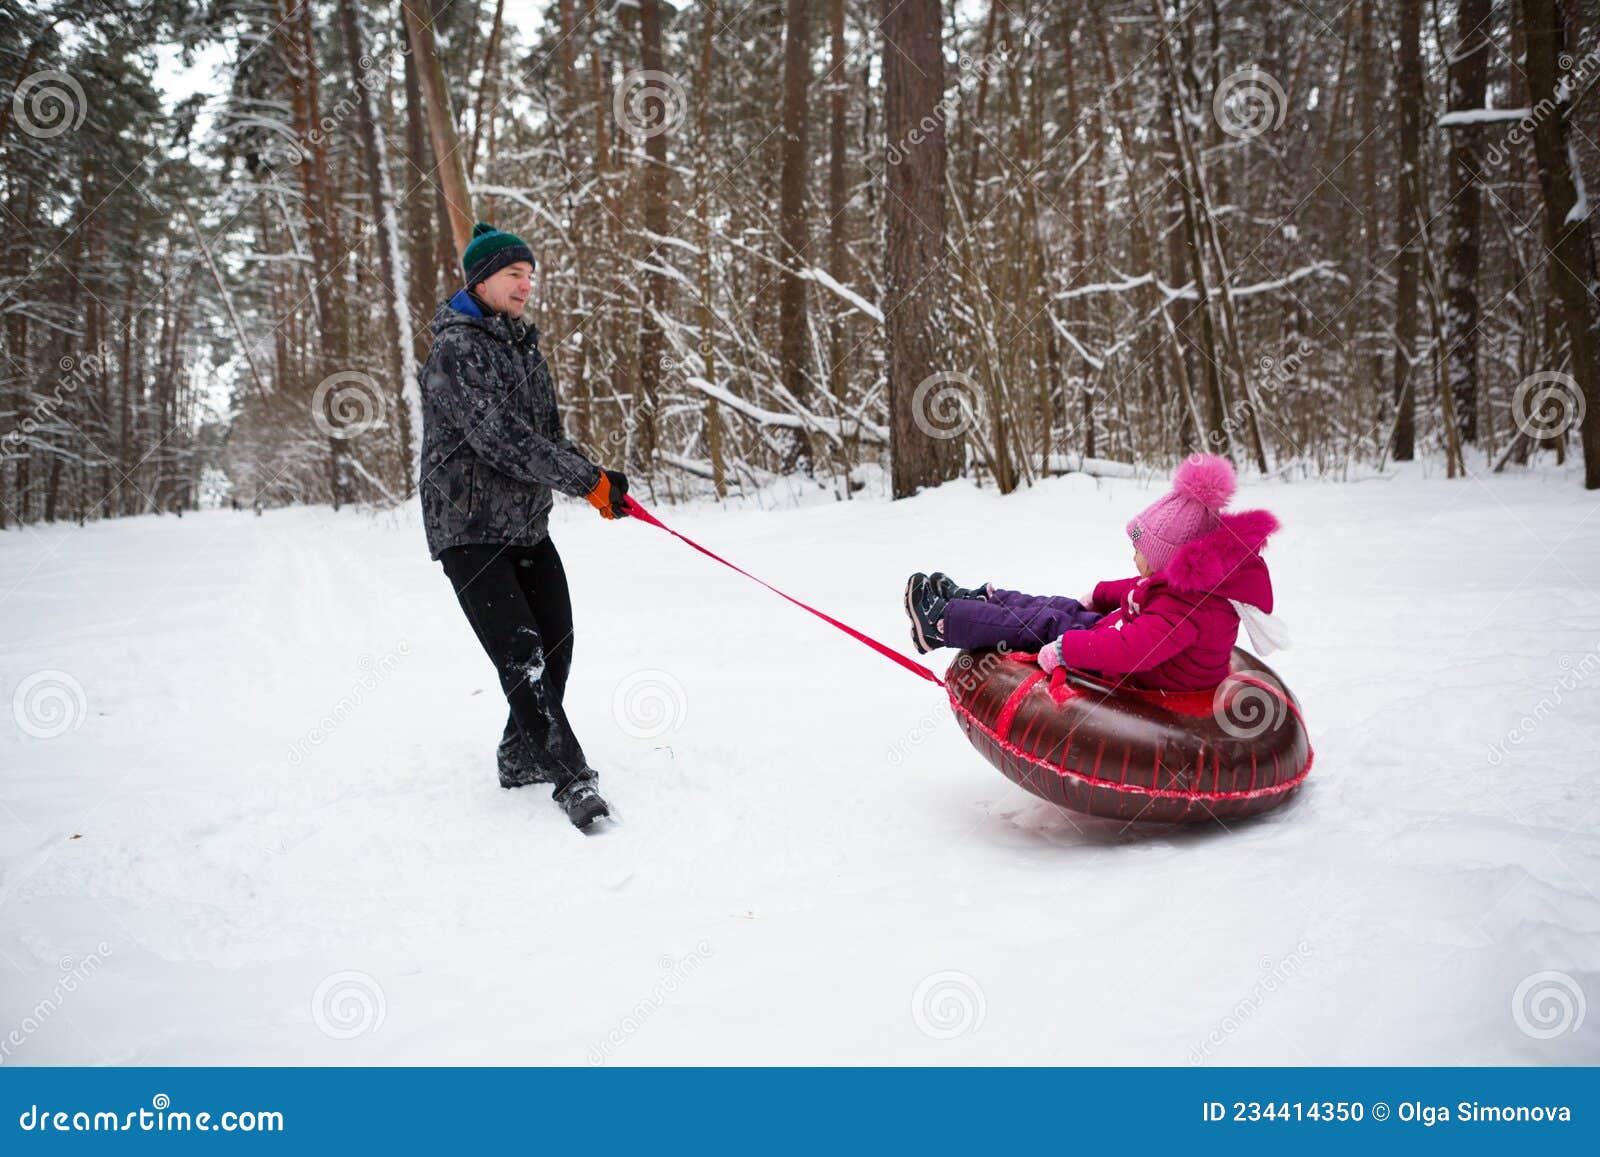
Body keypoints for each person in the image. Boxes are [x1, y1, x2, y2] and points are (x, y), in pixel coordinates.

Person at [418, 222, 629, 829]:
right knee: (524, 656)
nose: (526, 285)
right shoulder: (456, 350)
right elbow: (498, 439)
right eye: (515, 274)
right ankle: (571, 777)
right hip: (468, 527)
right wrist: (582, 481)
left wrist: (596, 481)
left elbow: (545, 438)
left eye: (531, 275)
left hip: (527, 525)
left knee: (556, 644)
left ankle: (520, 754)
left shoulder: (525, 351)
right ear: (480, 280)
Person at [903, 454, 1283, 692]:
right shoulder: (1186, 586)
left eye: (1138, 550)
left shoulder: (1185, 608)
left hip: (1138, 677)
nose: (1133, 557)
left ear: (1164, 559)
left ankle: (941, 624)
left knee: (1047, 623)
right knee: (1057, 606)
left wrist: (1069, 650)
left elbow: (1135, 650)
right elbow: (1142, 590)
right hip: (1126, 635)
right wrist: (1102, 594)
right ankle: (974, 599)